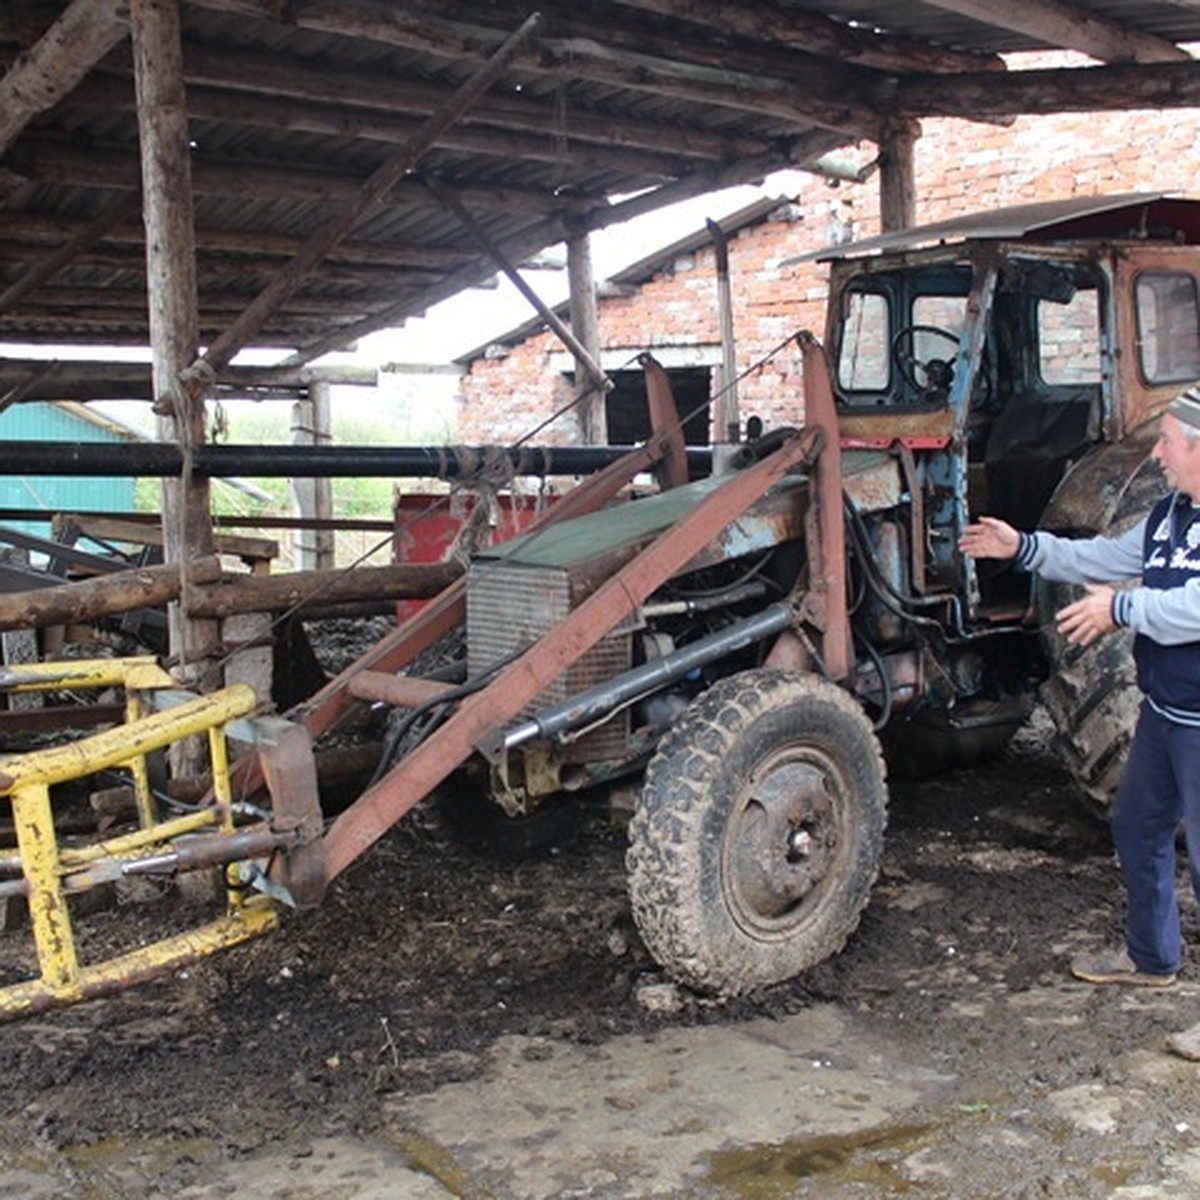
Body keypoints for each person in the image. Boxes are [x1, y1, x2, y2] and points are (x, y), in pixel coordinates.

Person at [958, 386, 1200, 1060]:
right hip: (1167, 713)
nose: (1157, 453)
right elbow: (1098, 560)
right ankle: (1152, 957)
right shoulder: (1167, 519)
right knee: (1137, 826)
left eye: (1168, 442)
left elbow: (1195, 607)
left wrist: (1122, 612)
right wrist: (1023, 546)